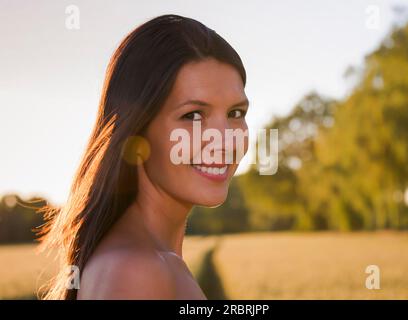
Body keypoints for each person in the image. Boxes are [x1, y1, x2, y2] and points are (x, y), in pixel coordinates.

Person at [37, 14, 249, 300]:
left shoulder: (152, 260)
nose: (225, 140)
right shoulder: (137, 271)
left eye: (236, 113)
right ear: (137, 133)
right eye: (193, 115)